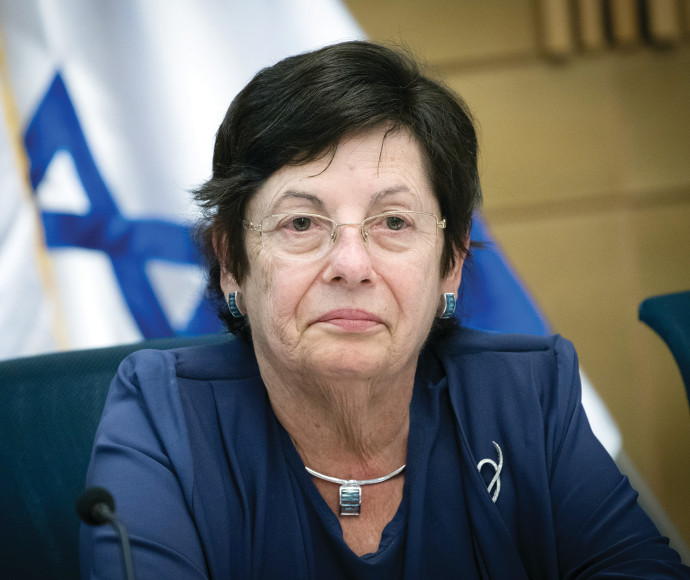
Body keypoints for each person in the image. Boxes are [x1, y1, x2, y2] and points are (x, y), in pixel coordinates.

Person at [80, 41, 689, 578]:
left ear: (451, 263)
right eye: (301, 223)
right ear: (231, 261)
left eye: (393, 222)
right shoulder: (164, 416)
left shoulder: (526, 395)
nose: (352, 265)